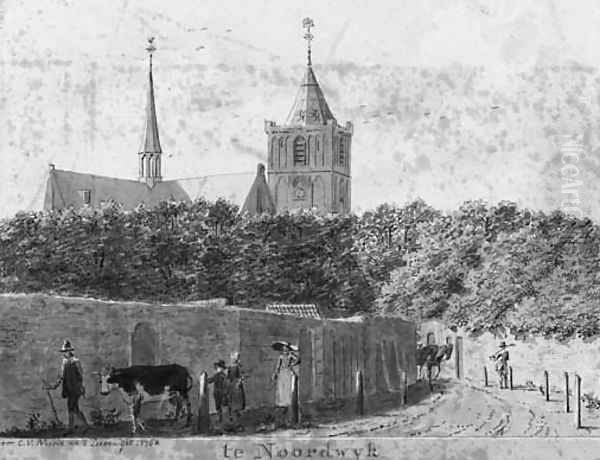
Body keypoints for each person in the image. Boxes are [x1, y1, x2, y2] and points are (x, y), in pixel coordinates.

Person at [46, 340, 89, 434]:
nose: (64, 354)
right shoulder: (64, 363)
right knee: (75, 408)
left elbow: (80, 375)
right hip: (68, 388)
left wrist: (81, 387)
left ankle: (71, 428)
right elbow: (61, 376)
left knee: (71, 407)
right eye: (64, 352)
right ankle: (85, 425)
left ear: (70, 351)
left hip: (75, 388)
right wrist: (54, 386)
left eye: (66, 351)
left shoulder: (76, 361)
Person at [272, 343, 300, 424]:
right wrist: (275, 373)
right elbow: (278, 366)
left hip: (288, 373)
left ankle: (288, 403)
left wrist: (292, 364)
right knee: (282, 389)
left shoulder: (290, 355)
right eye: (284, 349)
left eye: (286, 349)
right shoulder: (280, 357)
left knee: (288, 389)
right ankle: (283, 404)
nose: (285, 350)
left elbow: (298, 359)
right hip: (282, 373)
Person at [227, 352, 246, 419]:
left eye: (233, 358)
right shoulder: (230, 367)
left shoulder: (238, 366)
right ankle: (231, 415)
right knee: (231, 399)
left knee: (238, 399)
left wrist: (239, 383)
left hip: (237, 385)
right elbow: (228, 377)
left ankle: (238, 413)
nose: (232, 359)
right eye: (231, 358)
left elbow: (242, 376)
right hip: (232, 385)